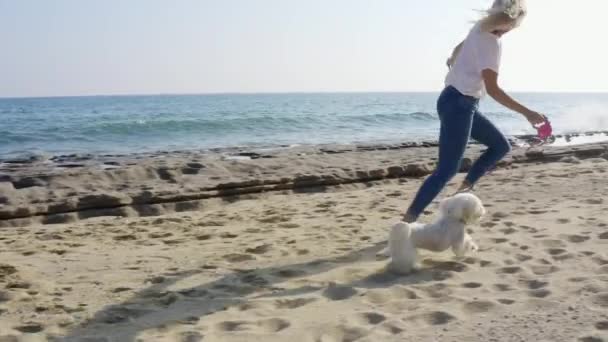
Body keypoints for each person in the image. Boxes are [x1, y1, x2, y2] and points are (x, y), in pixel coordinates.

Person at [402, 0, 546, 223]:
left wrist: (453, 57)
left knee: (500, 146)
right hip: (460, 104)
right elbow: (494, 90)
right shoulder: (491, 43)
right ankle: (407, 223)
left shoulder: (479, 27)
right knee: (446, 170)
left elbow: (460, 47)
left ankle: (461, 193)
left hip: (456, 101)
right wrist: (528, 113)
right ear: (512, 22)